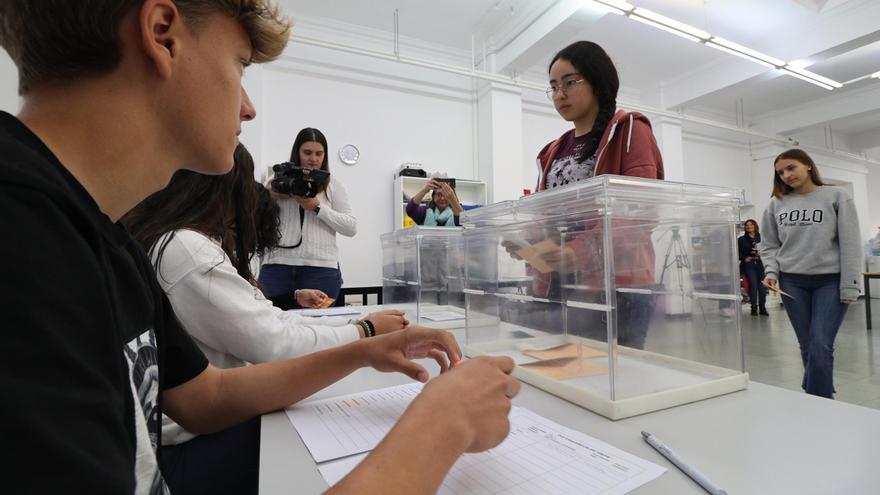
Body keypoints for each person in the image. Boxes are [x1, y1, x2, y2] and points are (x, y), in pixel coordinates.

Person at [0, 2, 520, 494]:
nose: (248, 108)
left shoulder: (106, 240)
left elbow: (207, 398)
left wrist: (362, 349)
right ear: (162, 34)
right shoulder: (26, 245)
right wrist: (441, 426)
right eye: (240, 65)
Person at [123, 143, 412, 493]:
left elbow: (268, 321)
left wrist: (351, 330)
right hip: (189, 444)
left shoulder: (184, 243)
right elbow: (275, 344)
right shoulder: (188, 249)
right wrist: (364, 331)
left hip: (194, 430)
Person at [532, 40, 664, 348]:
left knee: (617, 381)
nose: (559, 94)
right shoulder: (554, 149)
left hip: (615, 284)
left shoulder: (629, 129)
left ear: (598, 83)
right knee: (570, 377)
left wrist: (576, 252)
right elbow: (545, 213)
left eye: (570, 82)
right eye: (553, 86)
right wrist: (531, 244)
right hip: (561, 283)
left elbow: (637, 212)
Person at [761, 149, 861, 399]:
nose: (786, 175)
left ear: (807, 165)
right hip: (791, 282)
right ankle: (820, 396)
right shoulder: (776, 204)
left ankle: (819, 400)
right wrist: (771, 272)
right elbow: (770, 245)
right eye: (780, 172)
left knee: (819, 345)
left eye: (791, 167)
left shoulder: (837, 196)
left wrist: (850, 285)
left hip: (829, 281)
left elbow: (850, 243)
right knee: (807, 345)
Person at [259, 127, 355, 308]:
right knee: (271, 323)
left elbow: (350, 227)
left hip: (321, 268)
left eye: (319, 153)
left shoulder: (333, 184)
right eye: (307, 152)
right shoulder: (276, 182)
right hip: (276, 265)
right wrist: (267, 196)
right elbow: (255, 219)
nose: (313, 159)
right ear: (297, 152)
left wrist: (317, 207)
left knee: (320, 327)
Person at [738, 219, 768, 316]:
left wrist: (763, 253)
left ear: (755, 226)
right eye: (747, 225)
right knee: (753, 286)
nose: (749, 226)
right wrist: (745, 258)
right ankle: (754, 308)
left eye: (751, 224)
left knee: (762, 287)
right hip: (749, 264)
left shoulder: (762, 237)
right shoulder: (741, 239)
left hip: (761, 263)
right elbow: (737, 253)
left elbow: (769, 249)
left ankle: (762, 307)